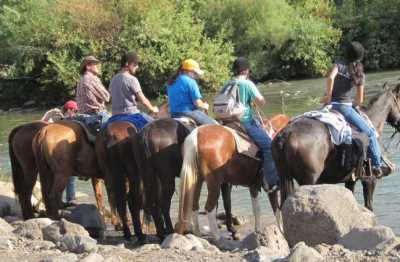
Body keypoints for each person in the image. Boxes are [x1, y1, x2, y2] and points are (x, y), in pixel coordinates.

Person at [322, 41, 390, 178]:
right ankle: (376, 166)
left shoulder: (338, 65)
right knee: (370, 132)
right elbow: (359, 101)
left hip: (328, 106)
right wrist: (352, 103)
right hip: (344, 107)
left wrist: (328, 96)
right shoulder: (359, 73)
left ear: (346, 53)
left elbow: (330, 77)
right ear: (360, 56)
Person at [227, 57, 279, 192]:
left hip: (227, 120)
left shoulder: (228, 83)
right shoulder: (247, 84)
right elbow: (261, 102)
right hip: (244, 120)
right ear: (246, 70)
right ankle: (271, 182)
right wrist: (259, 100)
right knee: (269, 146)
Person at [41, 100, 79, 206]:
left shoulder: (57, 120)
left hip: (54, 154)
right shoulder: (73, 120)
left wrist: (49, 114)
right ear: (70, 110)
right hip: (67, 154)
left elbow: (43, 123)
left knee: (57, 177)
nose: (75, 112)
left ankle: (59, 200)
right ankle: (70, 198)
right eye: (75, 110)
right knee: (70, 178)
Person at [108, 52, 158, 127]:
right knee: (155, 126)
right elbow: (143, 100)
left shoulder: (113, 79)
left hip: (114, 117)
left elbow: (110, 98)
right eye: (135, 64)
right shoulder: (132, 79)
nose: (137, 66)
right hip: (131, 115)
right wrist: (152, 108)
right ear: (127, 64)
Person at [167, 59, 218, 125]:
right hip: (188, 113)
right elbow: (198, 103)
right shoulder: (191, 82)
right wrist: (205, 106)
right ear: (188, 71)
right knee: (215, 126)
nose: (197, 76)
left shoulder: (171, 82)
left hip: (173, 114)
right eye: (195, 73)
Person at [76, 56, 110, 124]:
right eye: (95, 64)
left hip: (82, 116)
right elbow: (106, 97)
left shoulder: (81, 80)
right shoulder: (91, 78)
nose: (98, 67)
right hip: (96, 115)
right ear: (88, 66)